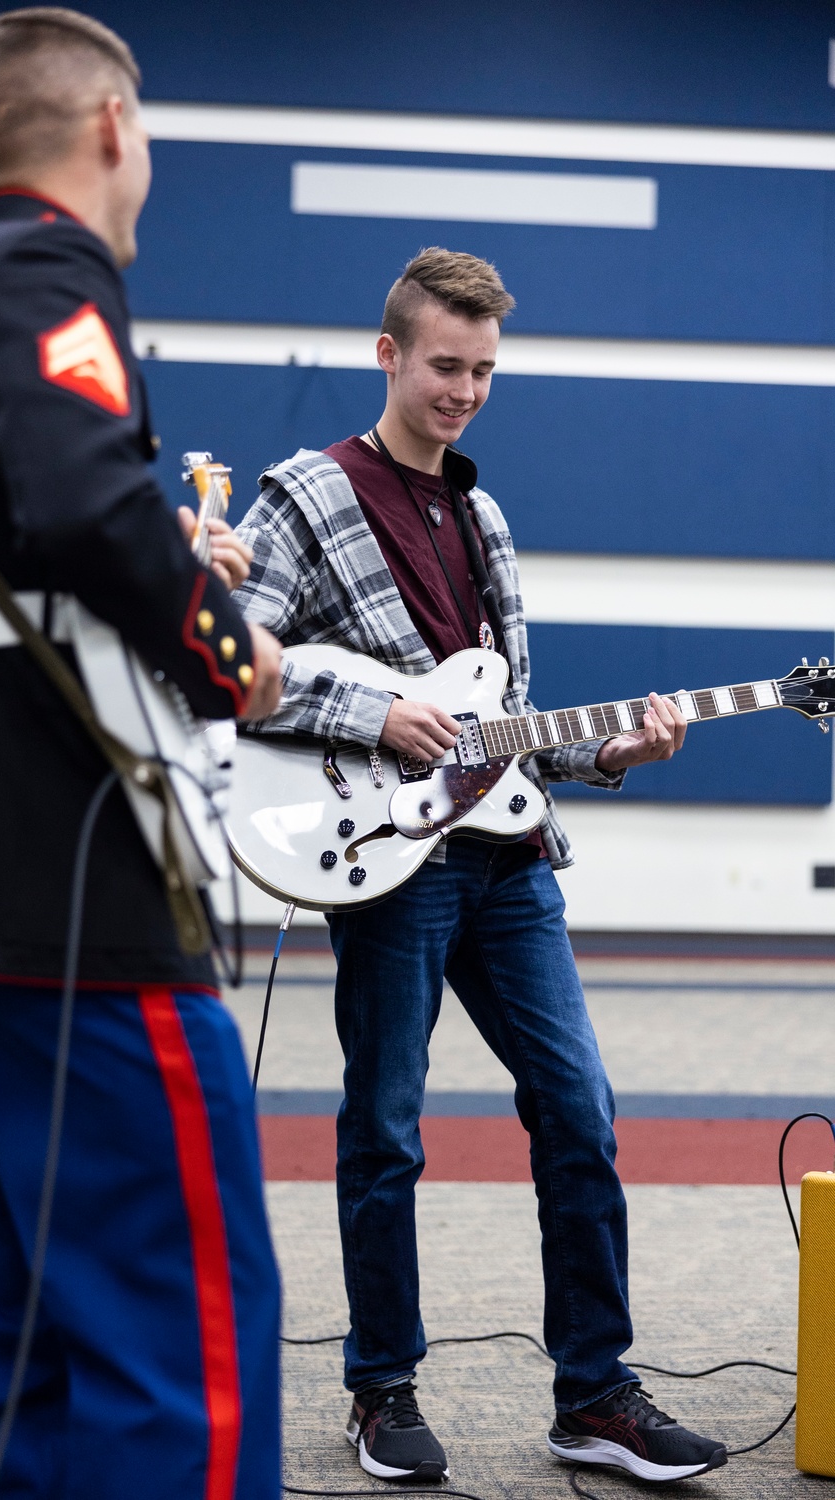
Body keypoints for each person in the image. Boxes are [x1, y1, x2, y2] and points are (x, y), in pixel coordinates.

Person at [0, 10, 284, 1499]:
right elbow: (87, 510)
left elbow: (9, 558)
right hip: (72, 876)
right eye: (145, 129)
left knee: (12, 1326)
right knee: (180, 1331)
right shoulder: (44, 270)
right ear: (108, 128)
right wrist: (233, 648)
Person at [233, 248, 728, 1487]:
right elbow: (224, 653)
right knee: (387, 1131)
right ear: (388, 352)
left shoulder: (484, 514)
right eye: (445, 365)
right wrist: (368, 715)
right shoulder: (302, 495)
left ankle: (593, 1396)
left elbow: (501, 735)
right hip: (384, 868)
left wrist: (605, 751)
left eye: (485, 371)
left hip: (509, 867)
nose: (464, 390)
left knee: (579, 1110)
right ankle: (380, 1388)